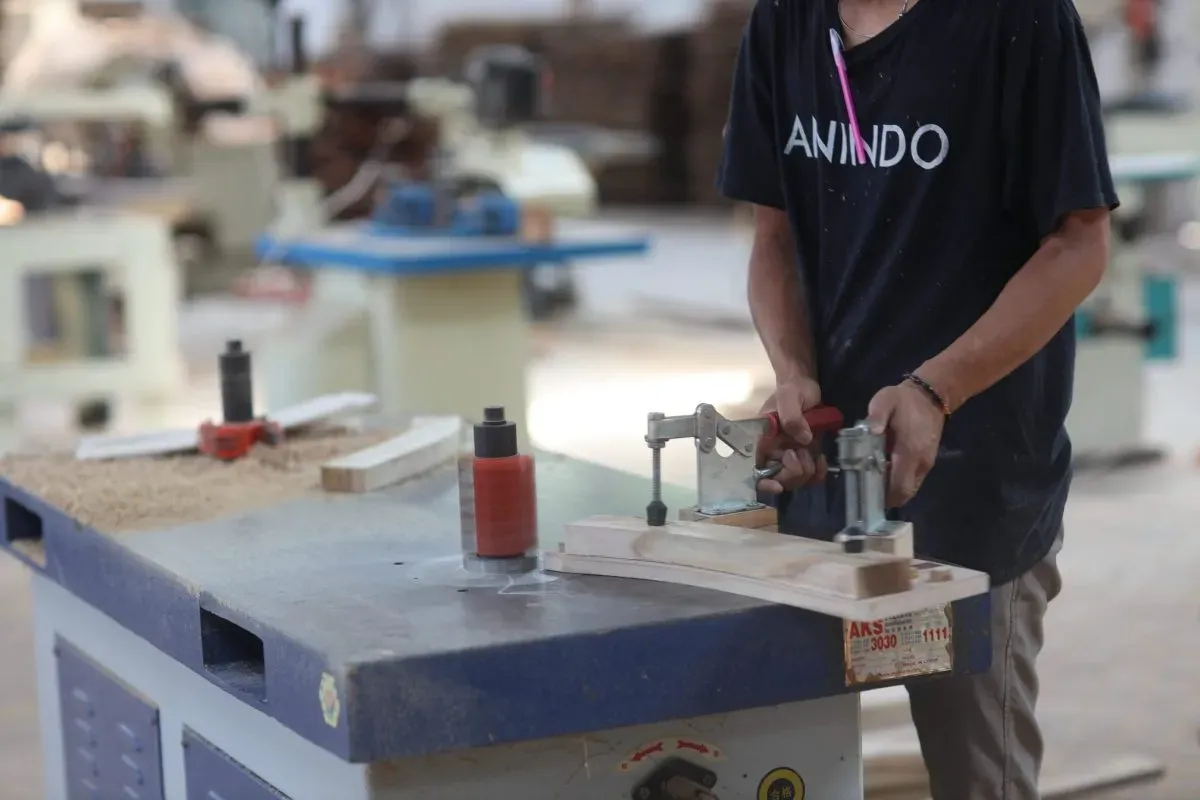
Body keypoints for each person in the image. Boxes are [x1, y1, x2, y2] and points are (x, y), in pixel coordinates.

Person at [717, 1, 1118, 797]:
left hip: (974, 491)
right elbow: (775, 234)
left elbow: (1079, 243)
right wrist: (793, 372)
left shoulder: (1020, 19)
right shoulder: (785, 21)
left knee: (978, 778)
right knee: (785, 765)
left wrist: (940, 387)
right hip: (821, 488)